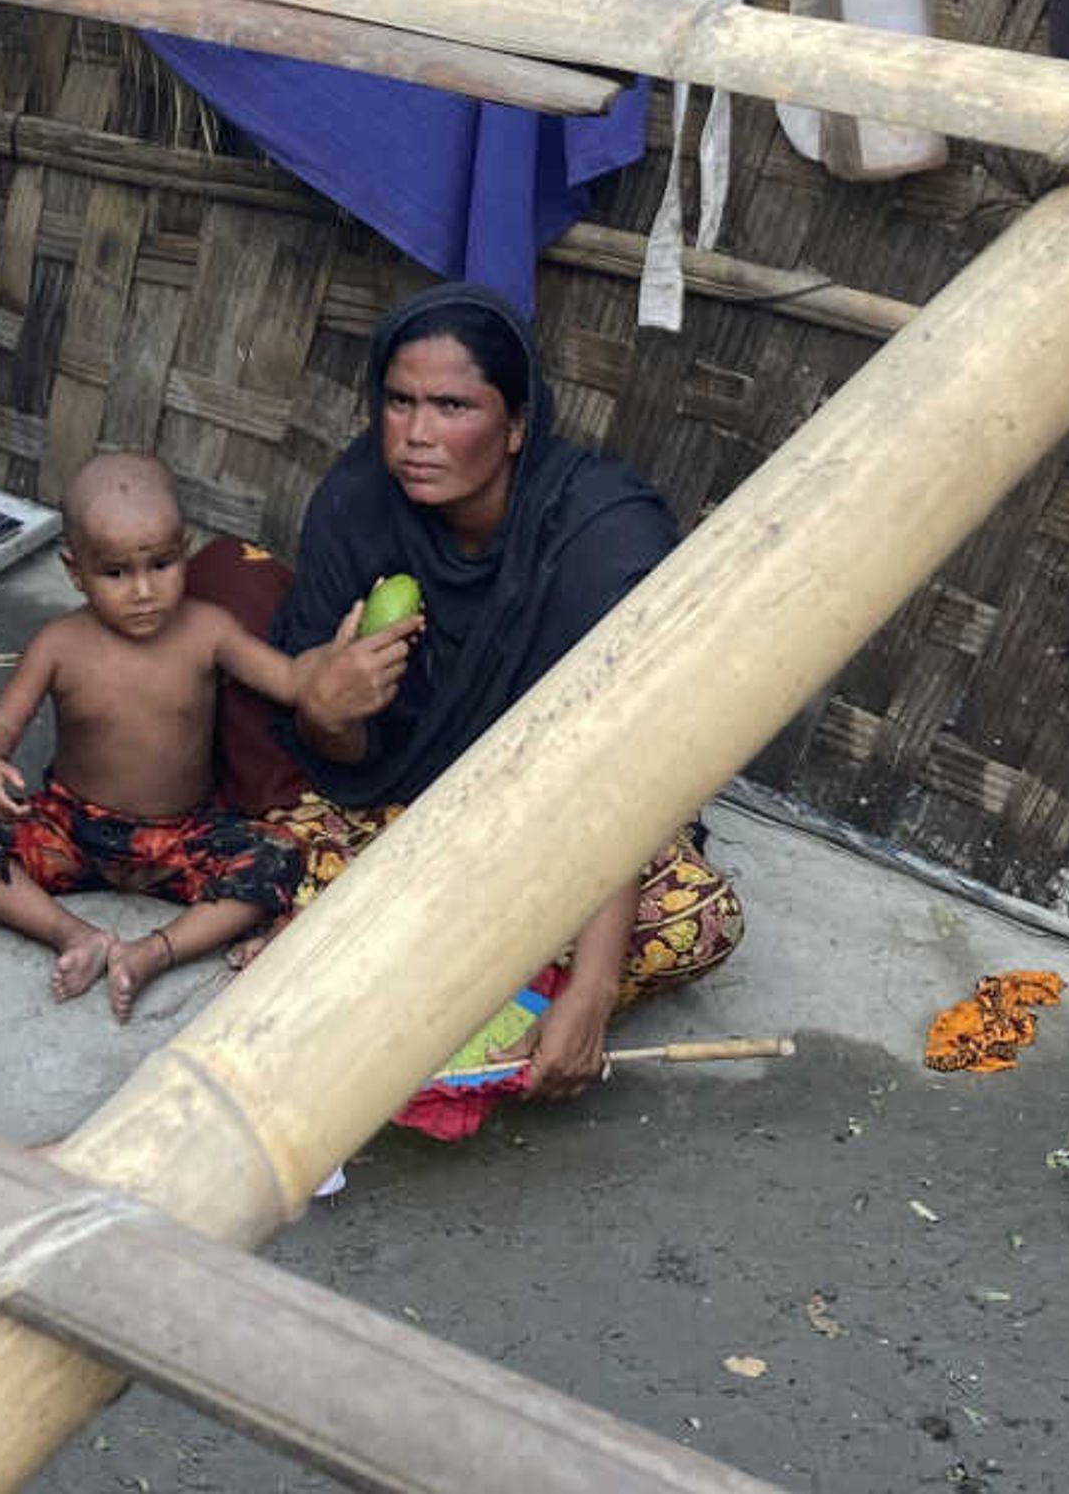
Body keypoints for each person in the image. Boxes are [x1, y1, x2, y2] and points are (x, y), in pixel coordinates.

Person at [272, 282, 744, 1102]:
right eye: (398, 401)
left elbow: (630, 763)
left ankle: (524, 999)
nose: (416, 434)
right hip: (408, 811)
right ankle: (475, 979)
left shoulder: (604, 535)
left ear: (517, 425)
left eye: (452, 405)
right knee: (270, 856)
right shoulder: (356, 505)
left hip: (572, 822)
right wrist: (328, 710)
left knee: (693, 923)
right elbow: (343, 761)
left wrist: (594, 987)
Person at [0, 451, 313, 1019]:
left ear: (183, 550)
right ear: (74, 571)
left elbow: (290, 680)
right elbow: (2, 723)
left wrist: (337, 667)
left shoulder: (209, 630)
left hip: (183, 836)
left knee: (278, 857)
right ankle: (74, 936)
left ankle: (154, 953)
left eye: (160, 565)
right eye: (114, 573)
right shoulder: (59, 644)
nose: (142, 591)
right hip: (71, 829)